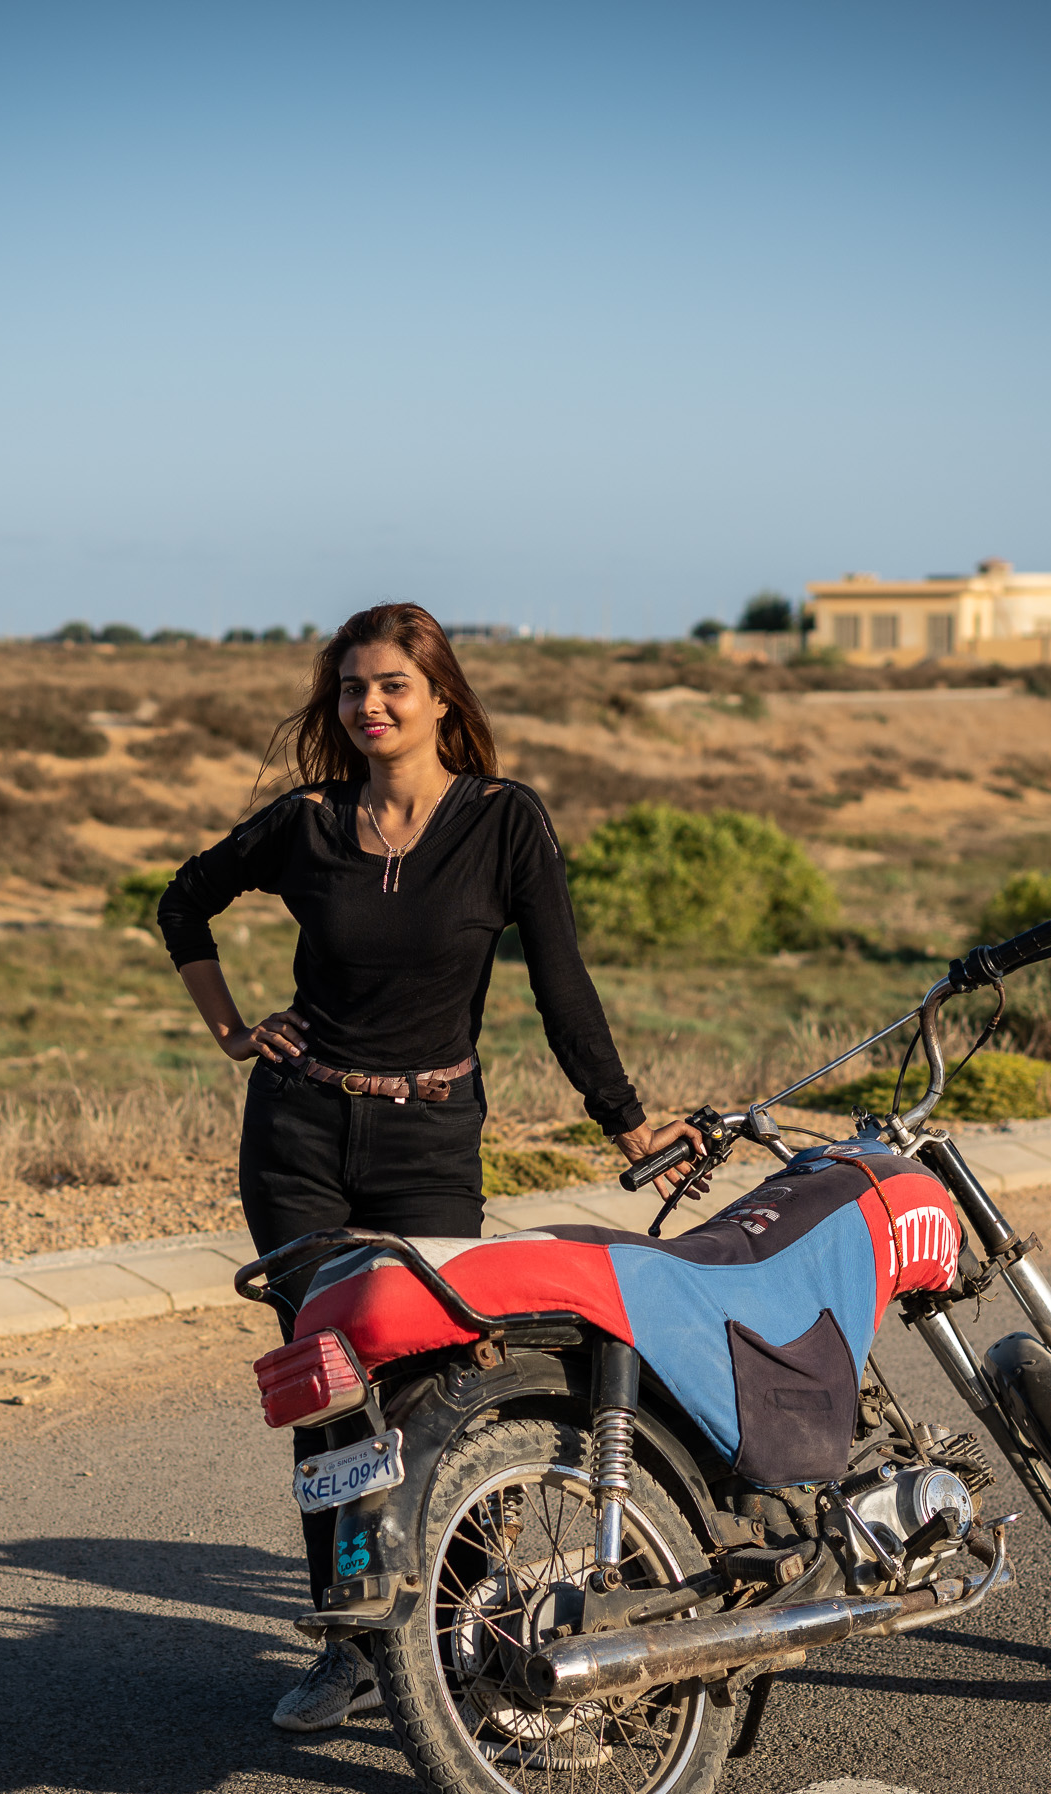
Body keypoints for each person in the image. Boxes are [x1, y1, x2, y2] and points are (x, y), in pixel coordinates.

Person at [154, 601, 701, 1732]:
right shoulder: (306, 823)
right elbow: (183, 903)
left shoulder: (504, 823)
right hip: (300, 1136)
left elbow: (563, 989)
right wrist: (232, 1030)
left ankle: (472, 1625)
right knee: (331, 1382)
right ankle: (350, 1643)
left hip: (429, 1140)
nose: (370, 705)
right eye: (353, 688)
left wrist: (628, 1124)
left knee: (439, 1381)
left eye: (394, 684)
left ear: (441, 696)